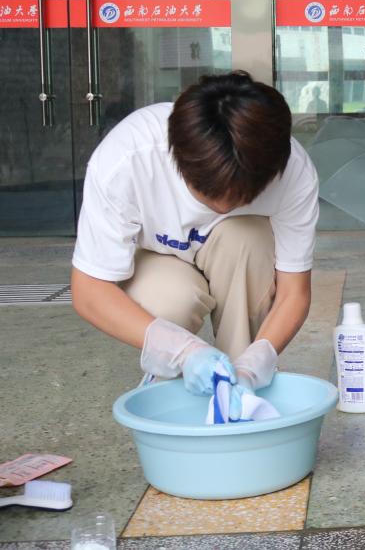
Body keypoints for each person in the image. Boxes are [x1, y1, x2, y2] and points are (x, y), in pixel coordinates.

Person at [71, 71, 319, 419]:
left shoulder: (292, 170)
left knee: (249, 238)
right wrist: (184, 351)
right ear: (178, 158)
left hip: (233, 250)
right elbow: (89, 290)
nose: (224, 205)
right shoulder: (128, 157)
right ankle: (169, 379)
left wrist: (256, 363)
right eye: (208, 193)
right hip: (155, 260)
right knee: (175, 298)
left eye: (243, 197)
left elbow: (294, 292)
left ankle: (238, 389)